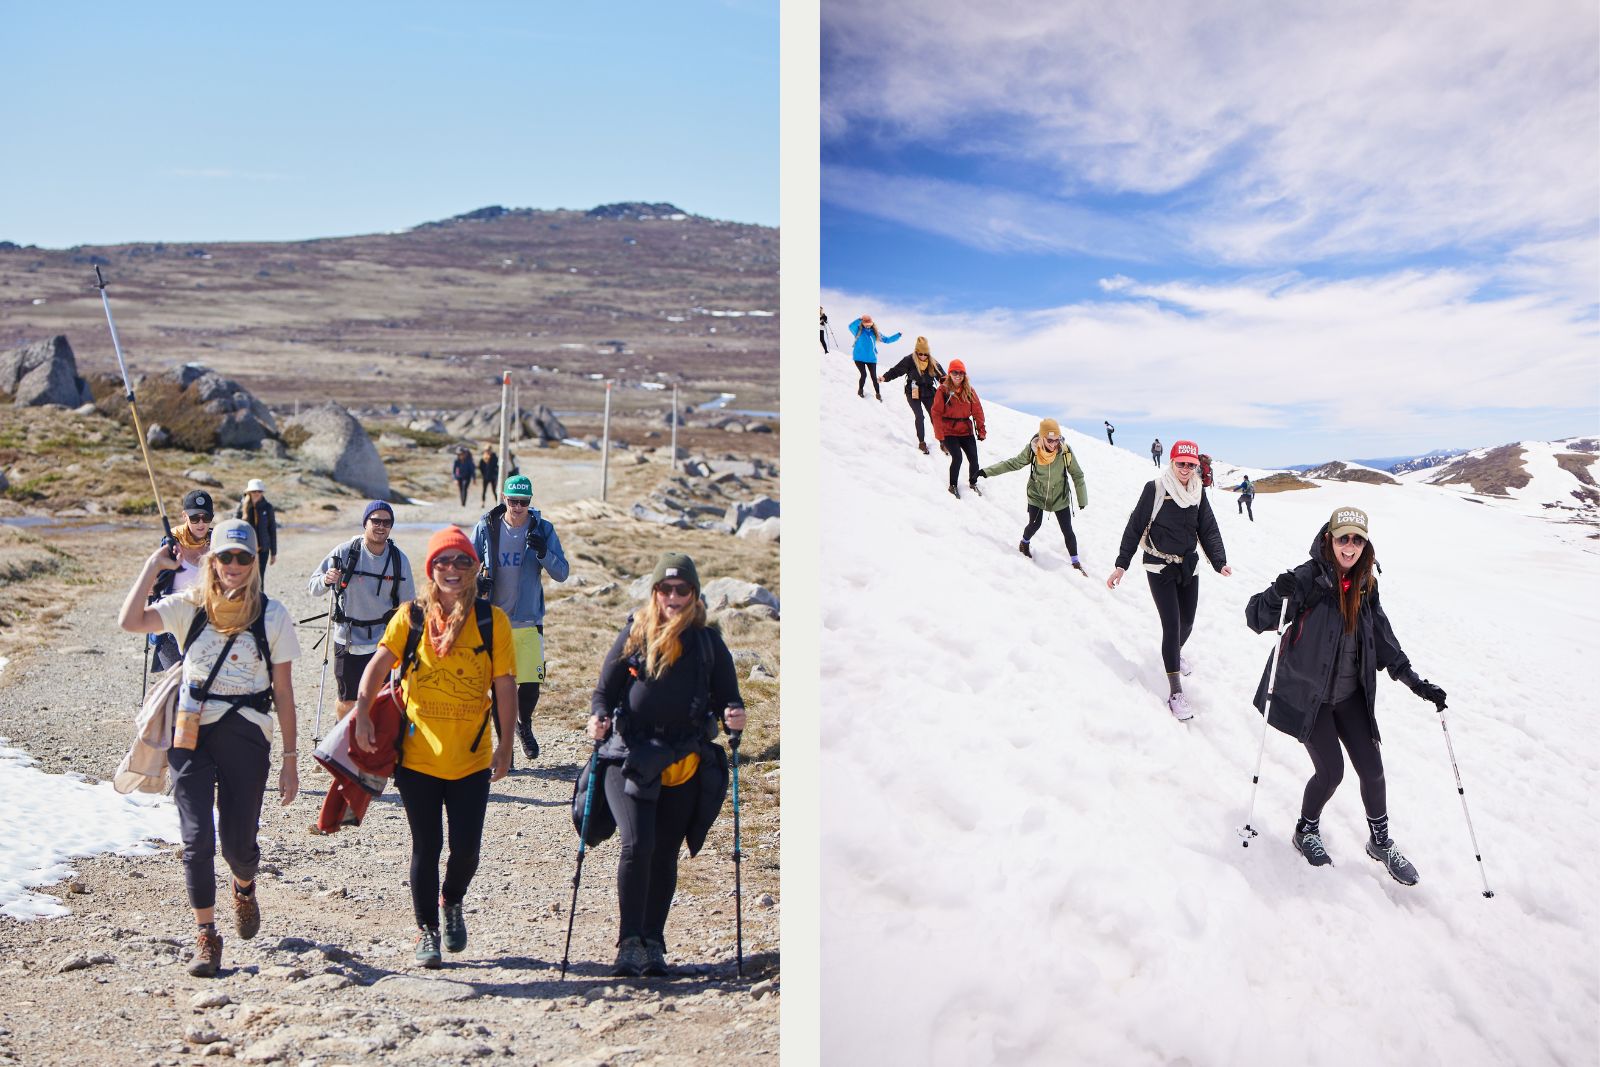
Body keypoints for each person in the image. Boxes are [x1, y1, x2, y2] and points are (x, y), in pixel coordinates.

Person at [118, 518, 300, 977]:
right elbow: (131, 621)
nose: (234, 566)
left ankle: (244, 886)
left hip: (247, 732)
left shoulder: (272, 615)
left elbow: (284, 692)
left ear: (255, 561)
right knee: (197, 840)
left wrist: (291, 760)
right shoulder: (189, 606)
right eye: (225, 557)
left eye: (243, 557)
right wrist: (150, 566)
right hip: (190, 730)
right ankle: (207, 935)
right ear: (212, 560)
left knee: (239, 846)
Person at [1244, 507, 1447, 886]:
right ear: (1329, 540)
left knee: (1373, 770)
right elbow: (1255, 618)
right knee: (1332, 771)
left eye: (1357, 539)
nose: (1350, 547)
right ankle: (1305, 830)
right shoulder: (1307, 579)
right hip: (1311, 697)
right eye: (1343, 539)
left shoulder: (1366, 585)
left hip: (1351, 696)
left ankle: (1380, 842)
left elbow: (1384, 641)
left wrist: (1416, 682)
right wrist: (1276, 593)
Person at [351, 526, 515, 967]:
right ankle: (426, 933)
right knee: (426, 846)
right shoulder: (412, 617)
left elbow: (504, 684)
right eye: (443, 562)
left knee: (466, 850)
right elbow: (377, 664)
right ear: (431, 569)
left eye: (463, 561)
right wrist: (363, 710)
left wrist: (506, 743)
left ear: (475, 567)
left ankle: (451, 900)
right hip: (417, 756)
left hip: (471, 757)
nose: (453, 570)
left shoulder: (491, 620)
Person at [588, 552, 746, 977]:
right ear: (654, 593)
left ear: (694, 595)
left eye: (682, 590)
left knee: (664, 855)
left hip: (685, 761)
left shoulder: (709, 644)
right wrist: (598, 718)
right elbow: (604, 692)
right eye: (666, 589)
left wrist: (734, 715)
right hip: (628, 757)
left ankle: (653, 942)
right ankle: (628, 943)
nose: (673, 597)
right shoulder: (634, 636)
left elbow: (729, 698)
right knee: (637, 846)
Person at [1107, 440, 1232, 720]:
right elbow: (1135, 526)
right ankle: (1176, 692)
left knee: (1187, 622)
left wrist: (1219, 561)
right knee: (1173, 625)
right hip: (1158, 566)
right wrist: (1121, 564)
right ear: (1171, 462)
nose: (1186, 469)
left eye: (1191, 465)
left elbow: (1208, 527)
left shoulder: (1198, 491)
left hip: (1188, 566)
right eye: (1181, 464)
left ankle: (1173, 655)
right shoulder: (1155, 489)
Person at [471, 473, 570, 761]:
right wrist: (477, 581)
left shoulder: (543, 528)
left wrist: (543, 553)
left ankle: (523, 725)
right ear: (504, 499)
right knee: (497, 687)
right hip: (493, 621)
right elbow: (466, 565)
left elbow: (562, 573)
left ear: (530, 502)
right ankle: (506, 751)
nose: (517, 507)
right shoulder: (486, 527)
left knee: (529, 687)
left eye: (523, 502)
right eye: (513, 501)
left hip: (528, 621)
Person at [307, 501, 416, 726]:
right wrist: (327, 580)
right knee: (347, 699)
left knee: (380, 698)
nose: (381, 526)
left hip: (383, 642)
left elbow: (408, 606)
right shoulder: (344, 552)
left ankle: (373, 752)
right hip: (347, 638)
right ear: (365, 523)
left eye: (386, 522)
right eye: (375, 521)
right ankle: (343, 748)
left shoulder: (399, 560)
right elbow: (313, 586)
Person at [977, 417, 1089, 573]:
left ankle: (1076, 563)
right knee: (1035, 524)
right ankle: (1024, 543)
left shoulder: (1065, 451)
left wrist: (1082, 498)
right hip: (1036, 494)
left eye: (1057, 440)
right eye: (1050, 440)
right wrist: (986, 472)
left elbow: (1077, 474)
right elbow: (1013, 463)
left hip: (1059, 496)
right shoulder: (1033, 450)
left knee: (1067, 530)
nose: (1054, 444)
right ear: (1042, 438)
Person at [150, 489, 216, 673]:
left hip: (207, 629)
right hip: (171, 628)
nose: (201, 523)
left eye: (206, 517)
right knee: (177, 687)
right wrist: (152, 587)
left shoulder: (217, 543)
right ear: (184, 516)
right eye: (195, 518)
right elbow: (153, 582)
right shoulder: (171, 544)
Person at [879, 336, 945, 454]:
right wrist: (884, 377)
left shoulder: (933, 362)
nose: (923, 357)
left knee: (934, 416)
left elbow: (942, 377)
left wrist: (951, 385)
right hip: (913, 391)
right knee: (919, 416)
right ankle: (921, 443)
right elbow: (896, 371)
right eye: (920, 354)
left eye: (925, 354)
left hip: (929, 392)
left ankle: (943, 442)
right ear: (916, 352)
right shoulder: (909, 360)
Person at [931, 359, 986, 498]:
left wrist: (981, 430)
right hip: (949, 431)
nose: (958, 375)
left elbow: (978, 411)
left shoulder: (969, 391)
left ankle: (973, 482)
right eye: (955, 372)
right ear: (949, 373)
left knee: (974, 458)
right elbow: (936, 413)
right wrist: (940, 437)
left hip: (965, 430)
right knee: (958, 457)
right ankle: (953, 485)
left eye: (961, 373)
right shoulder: (942, 390)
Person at [234, 479, 278, 589]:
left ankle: (260, 603)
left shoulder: (268, 507)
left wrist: (273, 553)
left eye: (259, 491)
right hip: (245, 549)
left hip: (262, 550)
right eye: (254, 491)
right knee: (245, 577)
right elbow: (234, 527)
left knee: (259, 578)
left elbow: (272, 530)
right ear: (249, 492)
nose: (257, 494)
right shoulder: (241, 507)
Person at [848, 314, 901, 401]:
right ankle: (860, 390)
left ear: (872, 323)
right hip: (859, 358)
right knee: (864, 374)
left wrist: (898, 335)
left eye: (869, 323)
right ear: (862, 323)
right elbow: (850, 326)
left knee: (873, 376)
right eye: (866, 323)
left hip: (871, 359)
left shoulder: (875, 333)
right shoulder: (858, 331)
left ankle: (878, 394)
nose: (868, 325)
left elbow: (887, 340)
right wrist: (859, 319)